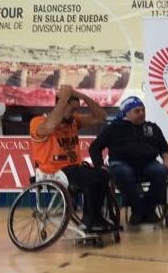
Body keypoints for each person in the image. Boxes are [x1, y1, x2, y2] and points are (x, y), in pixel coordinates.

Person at [30, 85, 111, 230]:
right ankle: (89, 222)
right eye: (72, 110)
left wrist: (83, 96)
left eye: (76, 110)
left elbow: (101, 117)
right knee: (92, 178)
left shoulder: (73, 121)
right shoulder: (38, 122)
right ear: (60, 105)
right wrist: (63, 98)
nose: (74, 113)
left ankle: (96, 218)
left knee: (104, 174)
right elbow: (51, 126)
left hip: (73, 169)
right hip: (52, 171)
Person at [89, 96, 168, 225]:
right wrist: (100, 166)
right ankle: (138, 210)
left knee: (161, 171)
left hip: (148, 163)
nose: (142, 113)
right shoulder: (115, 127)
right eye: (137, 111)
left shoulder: (152, 127)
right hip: (121, 163)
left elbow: (164, 148)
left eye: (143, 110)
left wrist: (166, 161)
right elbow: (94, 147)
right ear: (126, 113)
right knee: (124, 172)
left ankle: (147, 209)